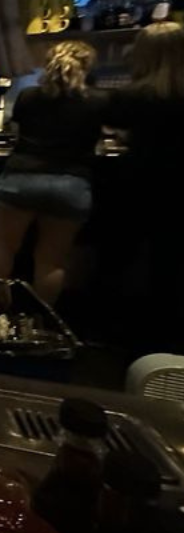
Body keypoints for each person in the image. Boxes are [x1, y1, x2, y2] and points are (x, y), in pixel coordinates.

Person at [0, 41, 107, 305]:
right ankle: (41, 325)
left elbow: (14, 134)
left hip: (21, 179)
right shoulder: (97, 100)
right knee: (51, 262)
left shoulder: (28, 96)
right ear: (86, 67)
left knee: (3, 249)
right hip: (70, 185)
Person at [103, 21, 184, 348]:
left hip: (137, 184)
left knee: (120, 256)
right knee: (171, 265)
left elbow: (114, 128)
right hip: (178, 191)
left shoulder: (133, 95)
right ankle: (164, 337)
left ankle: (115, 334)